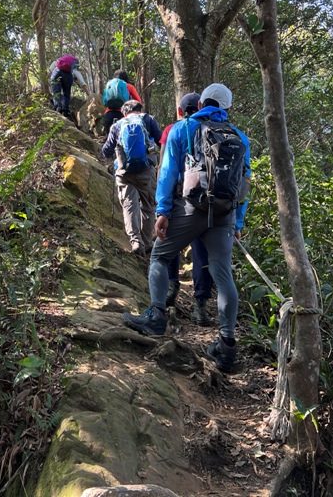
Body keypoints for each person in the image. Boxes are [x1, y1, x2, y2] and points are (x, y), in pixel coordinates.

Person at [122, 83, 252, 372]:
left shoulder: (184, 128)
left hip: (190, 210)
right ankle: (227, 346)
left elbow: (168, 172)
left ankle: (156, 317)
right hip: (223, 216)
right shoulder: (240, 138)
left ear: (203, 102)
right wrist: (238, 222)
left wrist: (163, 211)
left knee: (158, 256)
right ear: (226, 108)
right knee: (222, 273)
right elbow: (244, 185)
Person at [159, 92, 216, 326]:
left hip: (180, 200)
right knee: (203, 252)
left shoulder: (174, 129)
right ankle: (200, 306)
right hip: (211, 203)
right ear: (200, 107)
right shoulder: (217, 129)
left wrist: (162, 206)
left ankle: (170, 288)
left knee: (166, 246)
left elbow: (165, 168)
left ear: (181, 110)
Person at [101, 100, 163, 255]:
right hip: (146, 170)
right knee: (148, 206)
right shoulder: (149, 120)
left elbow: (106, 151)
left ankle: (135, 242)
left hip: (124, 172)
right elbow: (161, 141)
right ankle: (147, 242)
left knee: (129, 206)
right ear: (139, 109)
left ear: (124, 111)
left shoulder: (117, 125)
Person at [49, 54, 89, 119]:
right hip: (67, 76)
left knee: (56, 92)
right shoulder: (74, 67)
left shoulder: (59, 61)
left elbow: (50, 70)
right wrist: (89, 94)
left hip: (56, 72)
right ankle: (65, 111)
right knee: (66, 94)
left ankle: (58, 107)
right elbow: (82, 83)